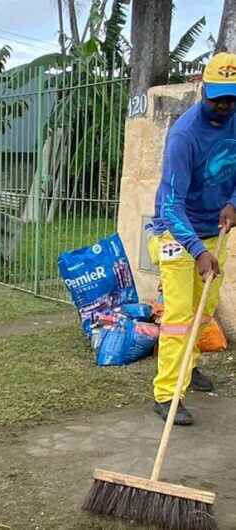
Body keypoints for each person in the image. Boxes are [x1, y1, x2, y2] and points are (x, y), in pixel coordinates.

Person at [148, 52, 236, 426]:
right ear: (203, 88)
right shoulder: (184, 135)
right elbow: (170, 205)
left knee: (205, 309)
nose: (224, 105)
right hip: (175, 234)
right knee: (181, 316)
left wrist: (233, 203)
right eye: (218, 97)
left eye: (232, 98)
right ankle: (167, 394)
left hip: (216, 231)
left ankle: (190, 367)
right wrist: (197, 250)